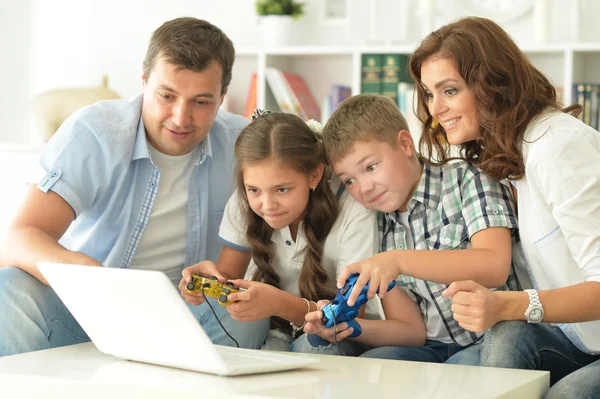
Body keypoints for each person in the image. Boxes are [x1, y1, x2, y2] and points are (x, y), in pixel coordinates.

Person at [0, 17, 268, 357]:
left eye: (201, 102)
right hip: (88, 310)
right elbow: (17, 239)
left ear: (223, 95)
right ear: (143, 79)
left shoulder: (243, 146)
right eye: (166, 95)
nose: (180, 118)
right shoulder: (94, 133)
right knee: (8, 288)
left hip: (188, 316)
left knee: (250, 317)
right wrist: (82, 270)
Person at [407, 16, 600, 397]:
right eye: (430, 94)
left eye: (449, 91)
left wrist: (506, 304)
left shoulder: (558, 147)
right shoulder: (507, 157)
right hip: (578, 340)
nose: (435, 109)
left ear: (491, 84)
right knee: (495, 347)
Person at [296, 94, 525, 364]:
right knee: (375, 364)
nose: (364, 188)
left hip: (488, 338)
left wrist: (398, 260)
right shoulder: (377, 222)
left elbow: (494, 266)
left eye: (371, 167)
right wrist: (351, 329)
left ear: (405, 144)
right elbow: (411, 331)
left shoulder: (467, 180)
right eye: (349, 181)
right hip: (430, 347)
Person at [179, 111, 384, 352]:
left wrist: (278, 303)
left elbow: (349, 314)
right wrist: (208, 285)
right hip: (270, 325)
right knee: (204, 316)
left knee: (316, 346)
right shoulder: (245, 201)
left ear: (314, 175)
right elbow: (228, 275)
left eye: (282, 189)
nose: (267, 204)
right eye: (254, 189)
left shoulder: (353, 210)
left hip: (330, 330)